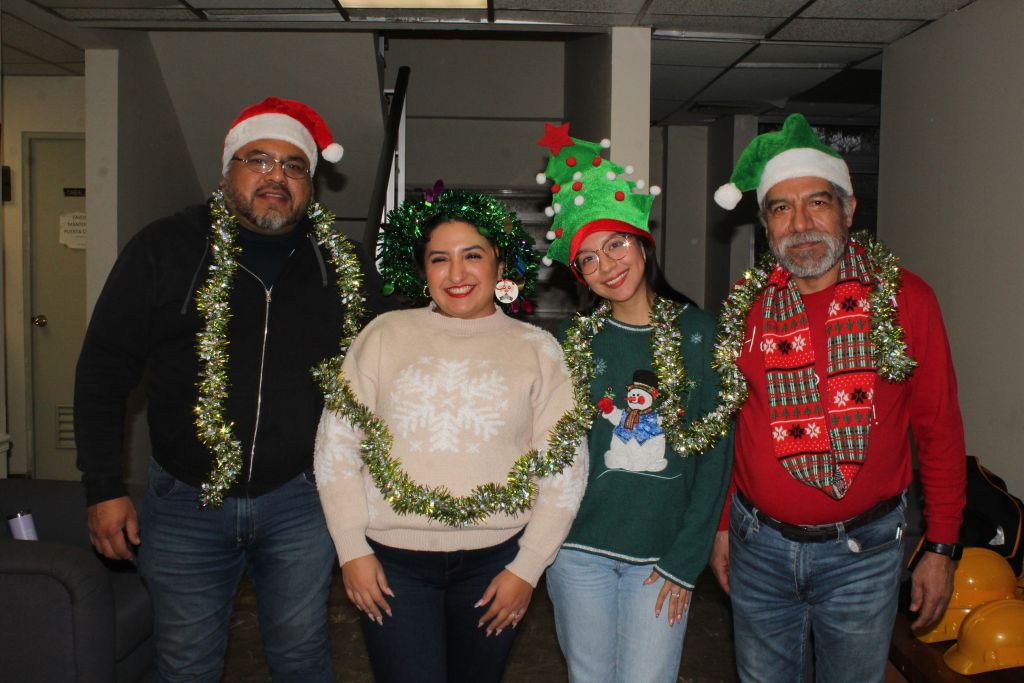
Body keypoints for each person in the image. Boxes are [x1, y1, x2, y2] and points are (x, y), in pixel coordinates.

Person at [75, 96, 375, 681]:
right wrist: (103, 487)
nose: (276, 176)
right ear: (226, 170)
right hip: (185, 501)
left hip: (301, 501)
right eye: (258, 159)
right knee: (186, 664)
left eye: (294, 166)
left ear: (311, 185)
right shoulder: (164, 248)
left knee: (302, 657)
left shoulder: (342, 265)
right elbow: (103, 370)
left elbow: (392, 359)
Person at [708, 113, 967, 683]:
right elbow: (733, 425)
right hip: (758, 547)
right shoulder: (744, 306)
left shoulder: (906, 299)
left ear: (848, 210)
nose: (801, 224)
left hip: (864, 555)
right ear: (766, 225)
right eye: (781, 208)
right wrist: (724, 524)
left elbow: (939, 427)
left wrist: (943, 545)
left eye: (817, 203)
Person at [313, 188, 589, 683]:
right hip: (390, 566)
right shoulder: (383, 335)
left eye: (472, 256)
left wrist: (527, 568)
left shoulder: (539, 349)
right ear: (423, 271)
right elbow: (337, 446)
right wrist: (351, 549)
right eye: (440, 259)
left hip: (498, 565)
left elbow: (565, 466)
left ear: (499, 263)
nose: (456, 273)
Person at [534, 123, 733, 682]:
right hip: (577, 551)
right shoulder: (575, 341)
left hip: (661, 557)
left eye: (615, 245)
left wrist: (686, 559)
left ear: (643, 242)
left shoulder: (699, 334)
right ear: (578, 274)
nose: (607, 266)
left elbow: (715, 455)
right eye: (588, 259)